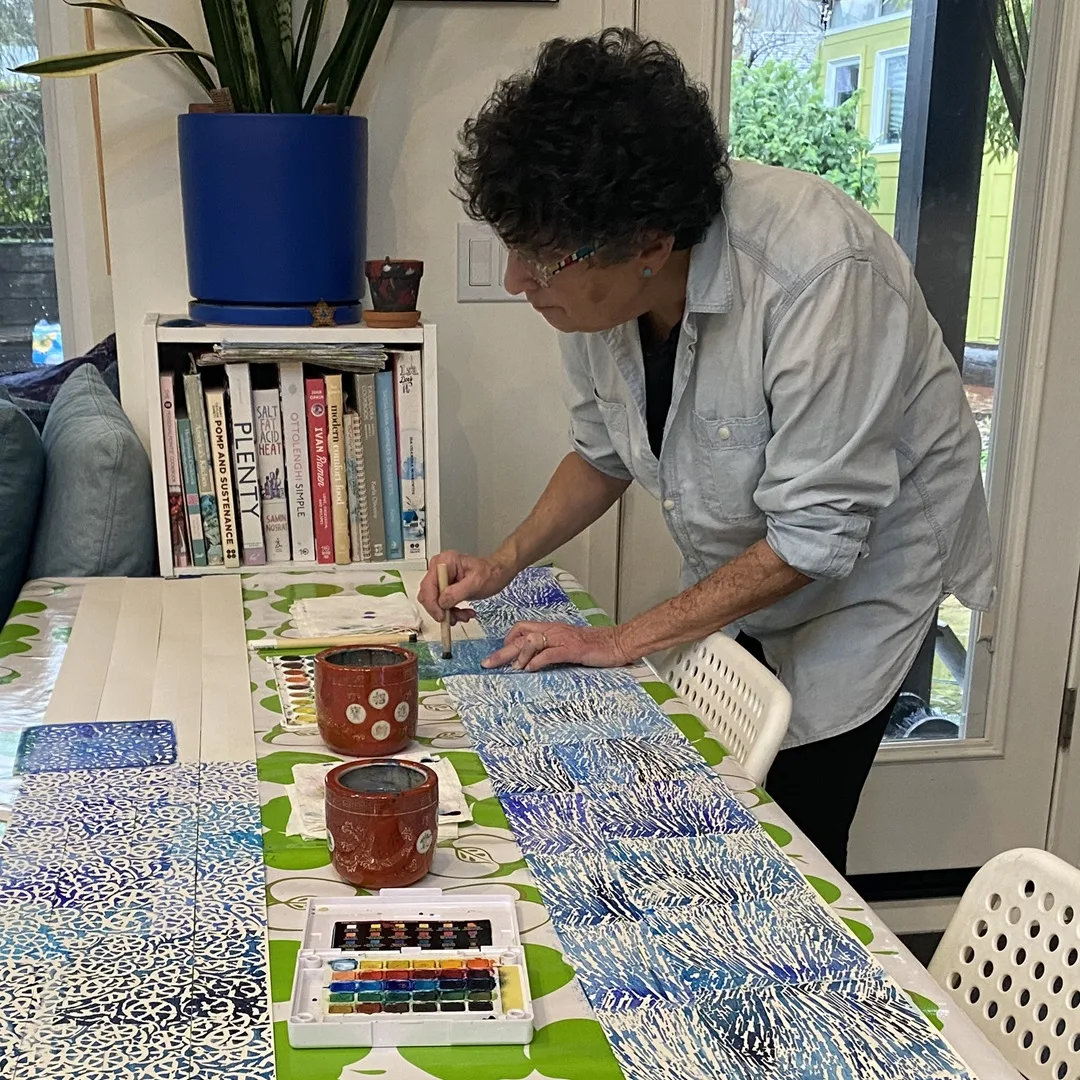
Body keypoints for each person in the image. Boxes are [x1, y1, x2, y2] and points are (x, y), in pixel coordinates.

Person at [417, 28, 993, 874]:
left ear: (651, 243)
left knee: (793, 833)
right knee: (705, 792)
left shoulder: (817, 272)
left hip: (867, 572)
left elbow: (812, 539)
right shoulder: (598, 294)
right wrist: (502, 563)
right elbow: (601, 455)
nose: (516, 282)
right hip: (762, 553)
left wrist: (622, 641)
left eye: (541, 259)